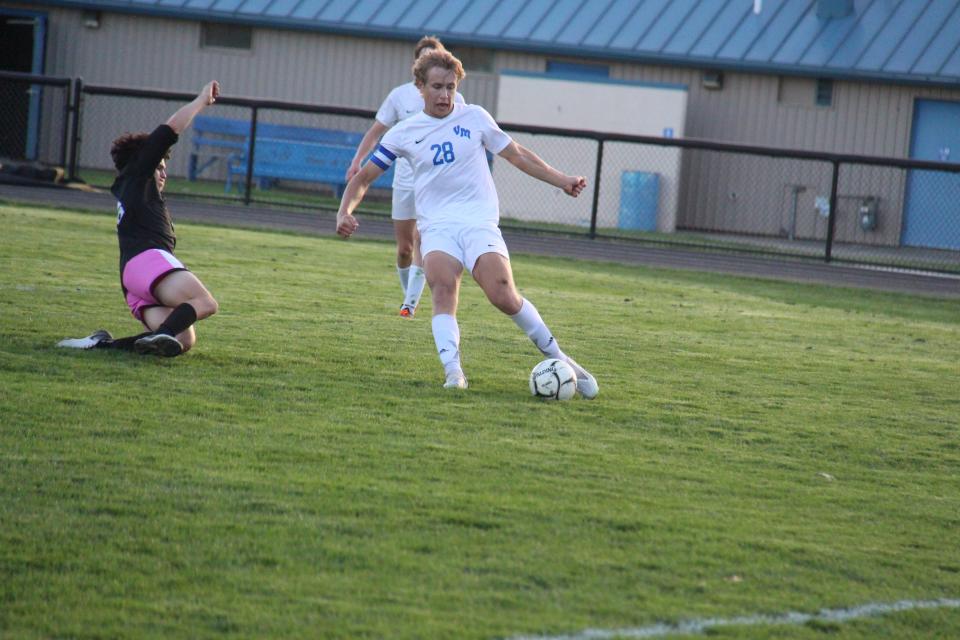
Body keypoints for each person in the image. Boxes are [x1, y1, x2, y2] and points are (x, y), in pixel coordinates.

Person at [336, 50, 598, 397]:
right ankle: (453, 372)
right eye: (437, 87)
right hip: (437, 226)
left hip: (478, 223)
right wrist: (344, 212)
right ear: (420, 87)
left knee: (503, 294)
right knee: (443, 288)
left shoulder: (474, 118)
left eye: (451, 87)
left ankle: (561, 358)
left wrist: (562, 179)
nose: (445, 95)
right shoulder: (404, 132)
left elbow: (516, 154)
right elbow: (364, 178)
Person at [57, 81, 221, 357]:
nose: (162, 172)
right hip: (147, 264)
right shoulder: (137, 175)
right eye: (158, 166)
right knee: (205, 302)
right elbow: (171, 129)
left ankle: (103, 344)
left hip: (134, 280)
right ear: (142, 162)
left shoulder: (135, 190)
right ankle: (162, 333)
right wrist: (201, 101)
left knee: (183, 340)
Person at [346, 36, 465, 319]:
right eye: (427, 55)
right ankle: (408, 296)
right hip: (405, 181)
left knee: (423, 239)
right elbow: (376, 131)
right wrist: (357, 160)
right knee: (404, 248)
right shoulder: (399, 95)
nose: (443, 92)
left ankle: (409, 306)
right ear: (418, 65)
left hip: (434, 184)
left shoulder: (455, 99)